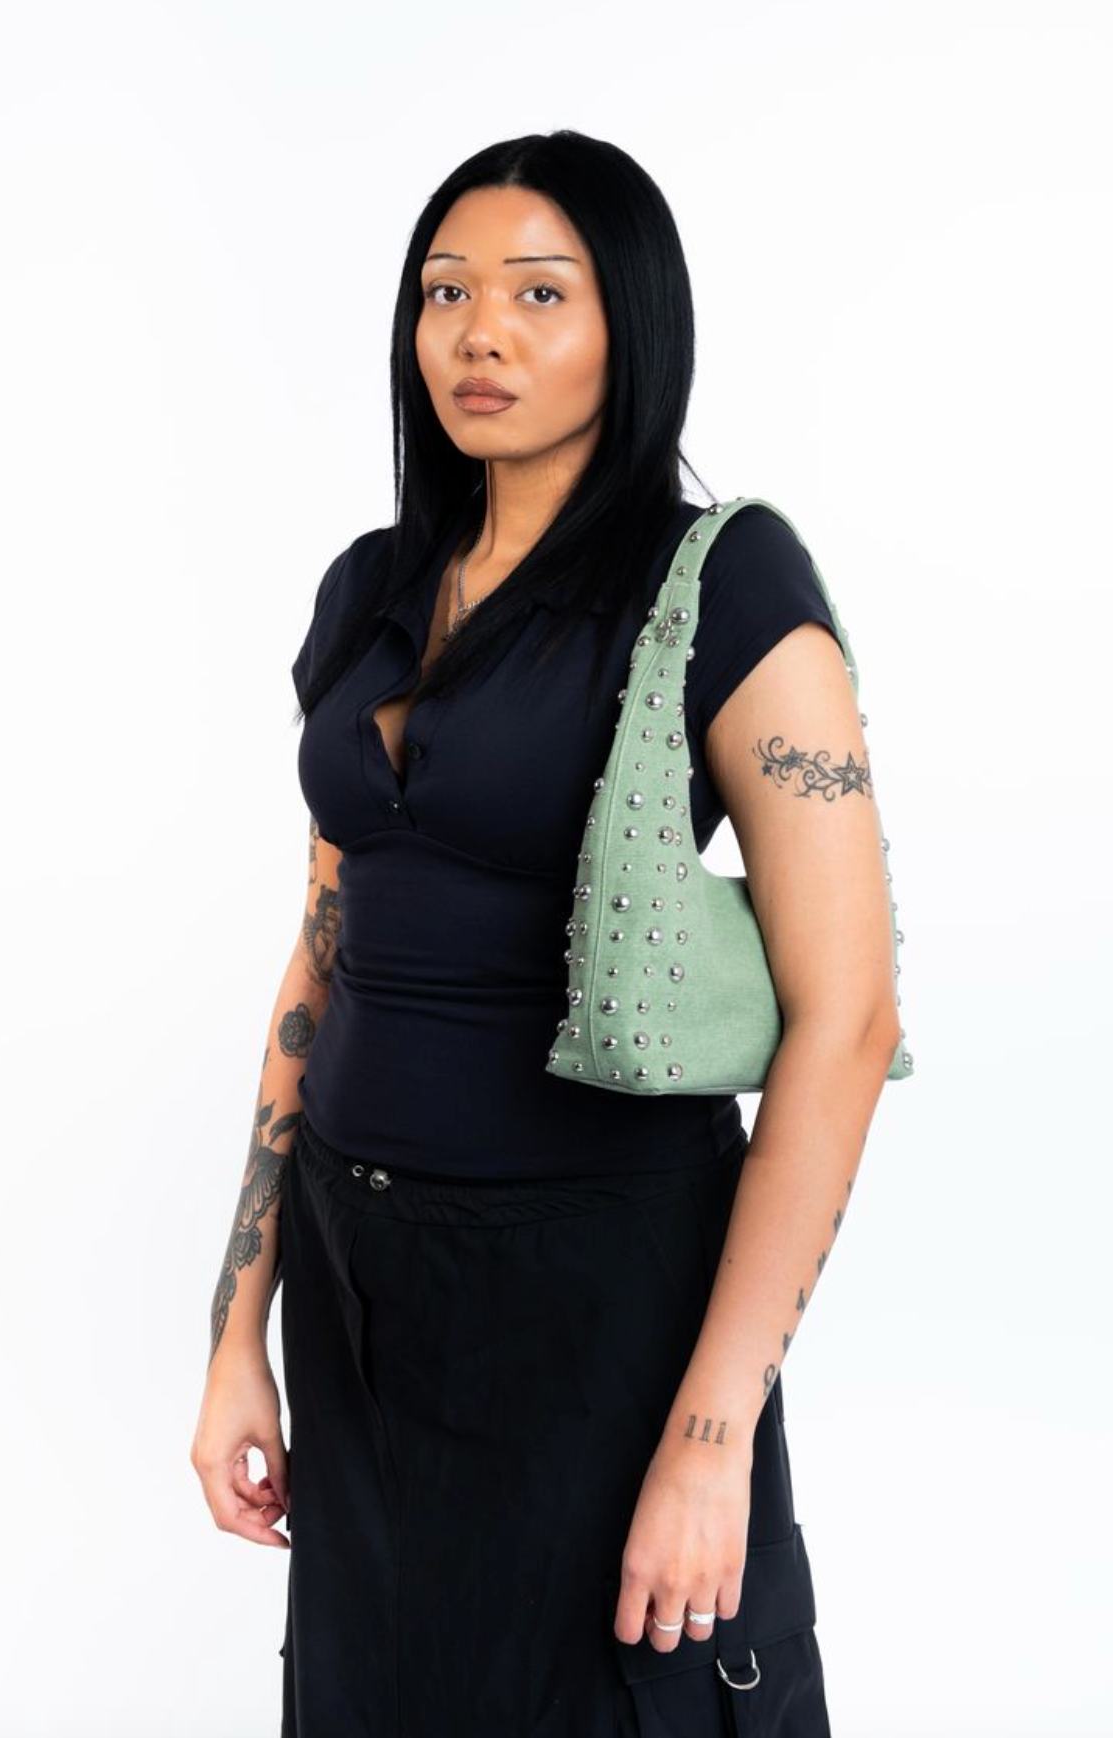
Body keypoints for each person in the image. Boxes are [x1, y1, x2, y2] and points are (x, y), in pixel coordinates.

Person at [190, 130, 903, 1738]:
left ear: (629, 320)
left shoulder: (721, 582)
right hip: (356, 1278)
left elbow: (848, 1017)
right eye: (446, 292)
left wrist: (712, 1433)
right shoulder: (369, 589)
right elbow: (326, 953)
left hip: (602, 1297)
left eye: (536, 292)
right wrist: (238, 1325)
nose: (479, 332)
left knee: (621, 1699)